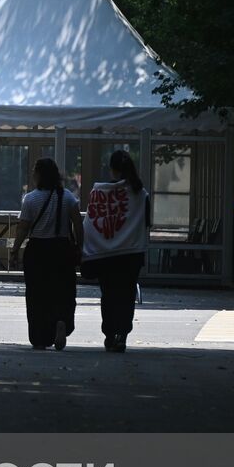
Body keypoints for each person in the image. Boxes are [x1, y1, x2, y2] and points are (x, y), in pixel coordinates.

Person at [81, 150, 151, 352]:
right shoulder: (141, 194)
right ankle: (122, 334)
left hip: (106, 254)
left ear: (112, 169)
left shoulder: (99, 193)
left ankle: (110, 333)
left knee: (109, 294)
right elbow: (147, 223)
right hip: (131, 254)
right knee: (127, 295)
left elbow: (92, 222)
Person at [12, 159, 82, 350]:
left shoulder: (31, 199)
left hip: (37, 251)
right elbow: (77, 223)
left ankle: (40, 336)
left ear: (40, 175)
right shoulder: (68, 197)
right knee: (63, 291)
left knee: (37, 294)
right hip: (62, 249)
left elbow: (23, 228)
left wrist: (15, 249)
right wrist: (79, 247)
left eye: (35, 171)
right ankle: (62, 321)